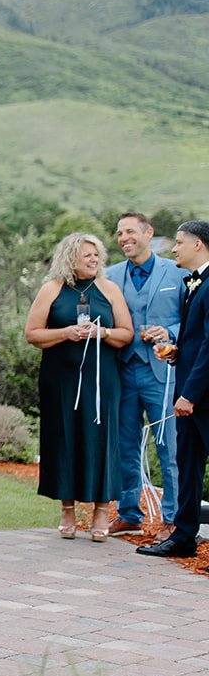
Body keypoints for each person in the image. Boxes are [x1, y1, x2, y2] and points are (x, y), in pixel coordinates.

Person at [24, 233, 131, 540]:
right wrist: (66, 332)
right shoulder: (52, 288)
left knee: (101, 439)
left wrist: (103, 333)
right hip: (60, 380)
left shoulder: (109, 289)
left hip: (102, 380)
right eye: (87, 255)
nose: (94, 260)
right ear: (70, 258)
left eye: (96, 255)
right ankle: (67, 510)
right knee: (63, 438)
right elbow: (32, 333)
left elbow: (126, 333)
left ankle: (101, 511)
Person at [106, 212, 187, 534]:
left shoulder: (176, 272)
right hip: (122, 370)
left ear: (148, 233)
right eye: (119, 233)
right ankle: (129, 513)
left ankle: (173, 519)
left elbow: (192, 318)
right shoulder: (110, 276)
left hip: (162, 373)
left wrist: (169, 331)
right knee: (125, 445)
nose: (124, 238)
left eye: (130, 231)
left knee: (169, 447)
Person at [139, 221, 209, 558]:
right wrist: (176, 352)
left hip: (201, 396)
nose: (174, 248)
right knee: (188, 465)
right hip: (191, 392)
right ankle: (183, 538)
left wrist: (190, 394)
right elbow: (197, 342)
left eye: (179, 242)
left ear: (198, 244)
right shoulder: (195, 283)